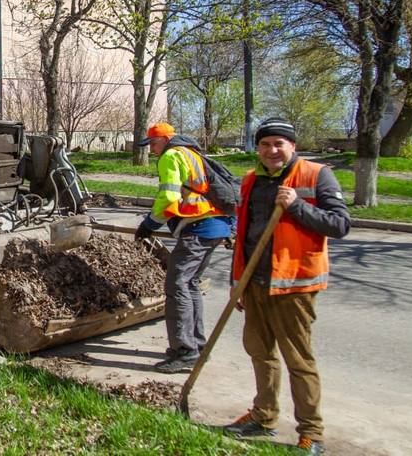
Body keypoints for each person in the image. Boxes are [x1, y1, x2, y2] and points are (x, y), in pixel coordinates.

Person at [223, 118, 350, 456]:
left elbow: (340, 224)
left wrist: (296, 205)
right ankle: (263, 417)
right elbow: (245, 237)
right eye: (265, 144)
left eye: (279, 143)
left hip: (293, 286)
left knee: (299, 360)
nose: (272, 150)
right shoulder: (251, 180)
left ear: (292, 145)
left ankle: (312, 433)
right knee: (260, 353)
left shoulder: (314, 175)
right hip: (255, 284)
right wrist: (238, 283)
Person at [135, 123, 234, 373]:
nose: (153, 150)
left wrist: (149, 224)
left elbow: (169, 197)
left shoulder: (171, 156)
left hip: (198, 228)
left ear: (167, 139)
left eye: (154, 144)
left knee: (177, 285)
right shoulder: (192, 152)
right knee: (190, 285)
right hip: (214, 225)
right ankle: (197, 346)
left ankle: (184, 352)